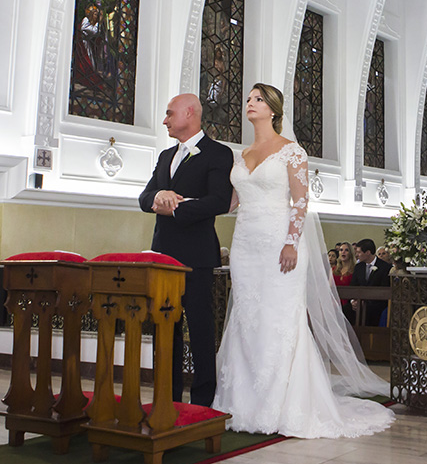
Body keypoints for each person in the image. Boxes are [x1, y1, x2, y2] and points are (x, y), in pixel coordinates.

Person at [213, 83, 394, 438]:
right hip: (246, 244)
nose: (250, 103)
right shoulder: (242, 154)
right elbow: (231, 203)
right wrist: (189, 201)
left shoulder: (292, 152)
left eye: (258, 99)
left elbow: (299, 201)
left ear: (274, 110)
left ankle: (284, 404)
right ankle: (243, 402)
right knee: (247, 316)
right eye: (249, 98)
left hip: (281, 242)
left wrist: (291, 242)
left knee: (279, 317)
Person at [139, 93, 233, 406]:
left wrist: (176, 208)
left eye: (169, 114)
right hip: (162, 256)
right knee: (165, 329)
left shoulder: (217, 153)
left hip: (196, 256)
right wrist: (159, 196)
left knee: (201, 328)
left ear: (189, 112)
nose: (165, 120)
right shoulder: (166, 156)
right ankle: (167, 395)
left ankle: (203, 399)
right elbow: (144, 197)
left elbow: (219, 201)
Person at [353, 237, 392, 324]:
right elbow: (353, 285)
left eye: (359, 252)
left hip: (376, 304)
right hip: (359, 303)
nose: (357, 255)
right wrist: (353, 301)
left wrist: (365, 302)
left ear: (367, 252)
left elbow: (384, 289)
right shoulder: (358, 267)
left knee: (370, 312)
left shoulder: (385, 267)